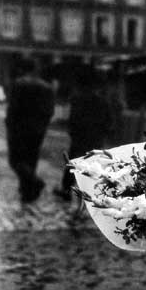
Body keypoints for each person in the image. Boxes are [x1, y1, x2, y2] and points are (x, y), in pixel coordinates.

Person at [53, 66, 111, 201]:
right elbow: (109, 121)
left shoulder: (77, 99)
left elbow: (73, 119)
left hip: (80, 138)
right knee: (93, 166)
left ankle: (66, 190)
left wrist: (73, 132)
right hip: (96, 139)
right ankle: (89, 194)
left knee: (73, 164)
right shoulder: (102, 101)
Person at [5, 57, 54, 203]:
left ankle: (35, 182)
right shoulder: (46, 86)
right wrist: (43, 124)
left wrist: (9, 125)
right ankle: (27, 190)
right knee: (31, 159)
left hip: (19, 129)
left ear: (22, 69)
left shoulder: (18, 84)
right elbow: (50, 110)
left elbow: (13, 108)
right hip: (38, 129)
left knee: (15, 161)